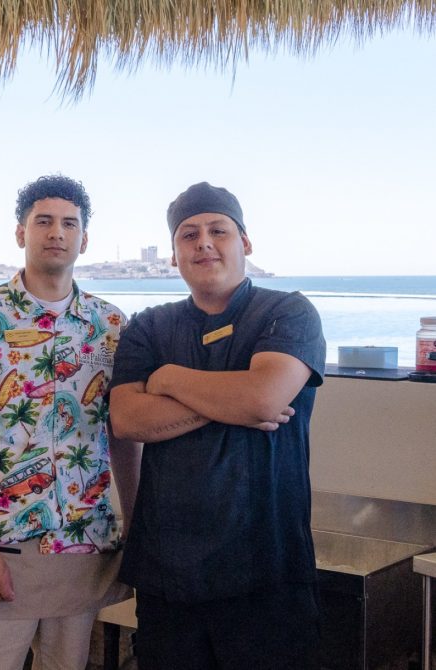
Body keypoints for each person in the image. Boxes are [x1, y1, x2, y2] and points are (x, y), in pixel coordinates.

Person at [109, 182, 326, 670]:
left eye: (218, 231)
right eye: (188, 234)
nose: (203, 243)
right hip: (169, 576)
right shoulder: (148, 326)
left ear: (244, 242)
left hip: (268, 571)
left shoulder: (287, 312)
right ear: (173, 255)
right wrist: (238, 401)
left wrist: (170, 379)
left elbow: (263, 398)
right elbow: (127, 419)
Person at [0, 174, 140, 670]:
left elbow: (122, 438)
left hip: (85, 541)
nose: (56, 232)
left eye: (69, 223)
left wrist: (138, 526)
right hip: (2, 544)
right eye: (43, 221)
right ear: (20, 233)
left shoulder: (110, 325)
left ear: (84, 240)